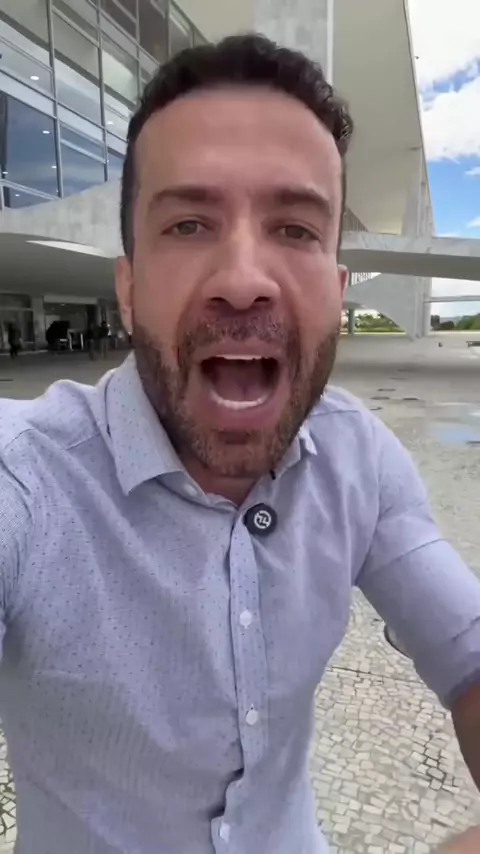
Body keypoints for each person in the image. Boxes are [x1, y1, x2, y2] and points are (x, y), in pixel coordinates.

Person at [0, 34, 479, 854]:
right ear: (128, 290)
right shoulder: (27, 477)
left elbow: (469, 658)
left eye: (295, 229)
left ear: (336, 294)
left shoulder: (359, 460)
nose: (243, 279)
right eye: (189, 224)